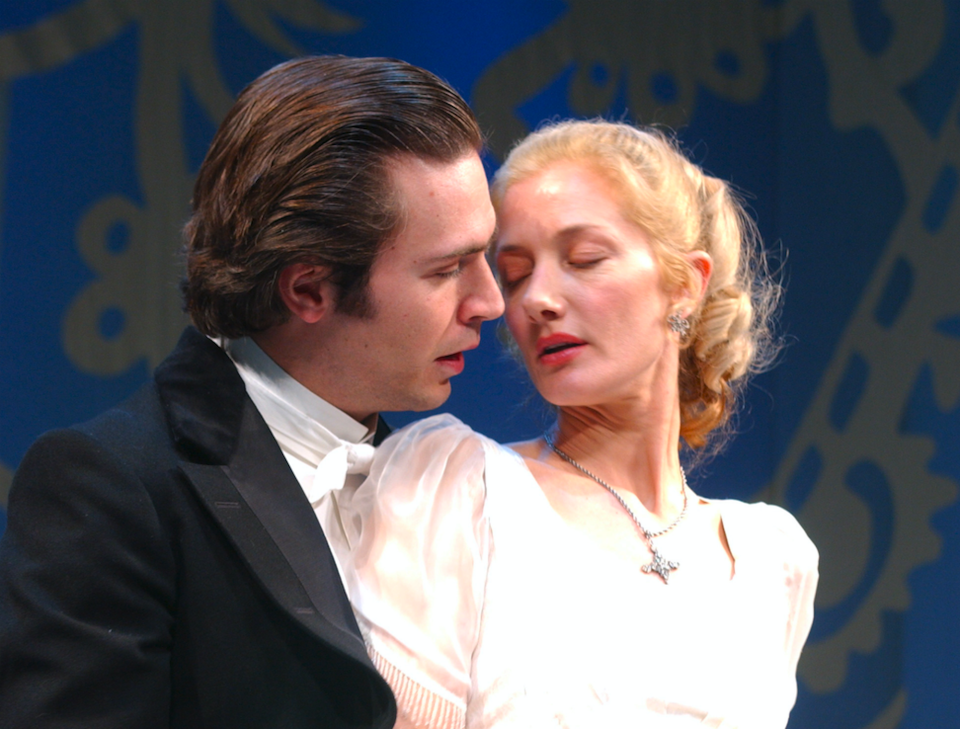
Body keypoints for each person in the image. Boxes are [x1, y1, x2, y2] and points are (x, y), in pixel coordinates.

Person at [0, 55, 503, 728]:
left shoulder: (454, 485)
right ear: (309, 289)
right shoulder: (110, 487)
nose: (491, 301)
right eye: (448, 269)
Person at [333, 120, 819, 728]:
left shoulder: (772, 560)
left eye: (583, 260)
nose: (537, 299)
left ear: (684, 286)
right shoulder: (457, 492)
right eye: (515, 275)